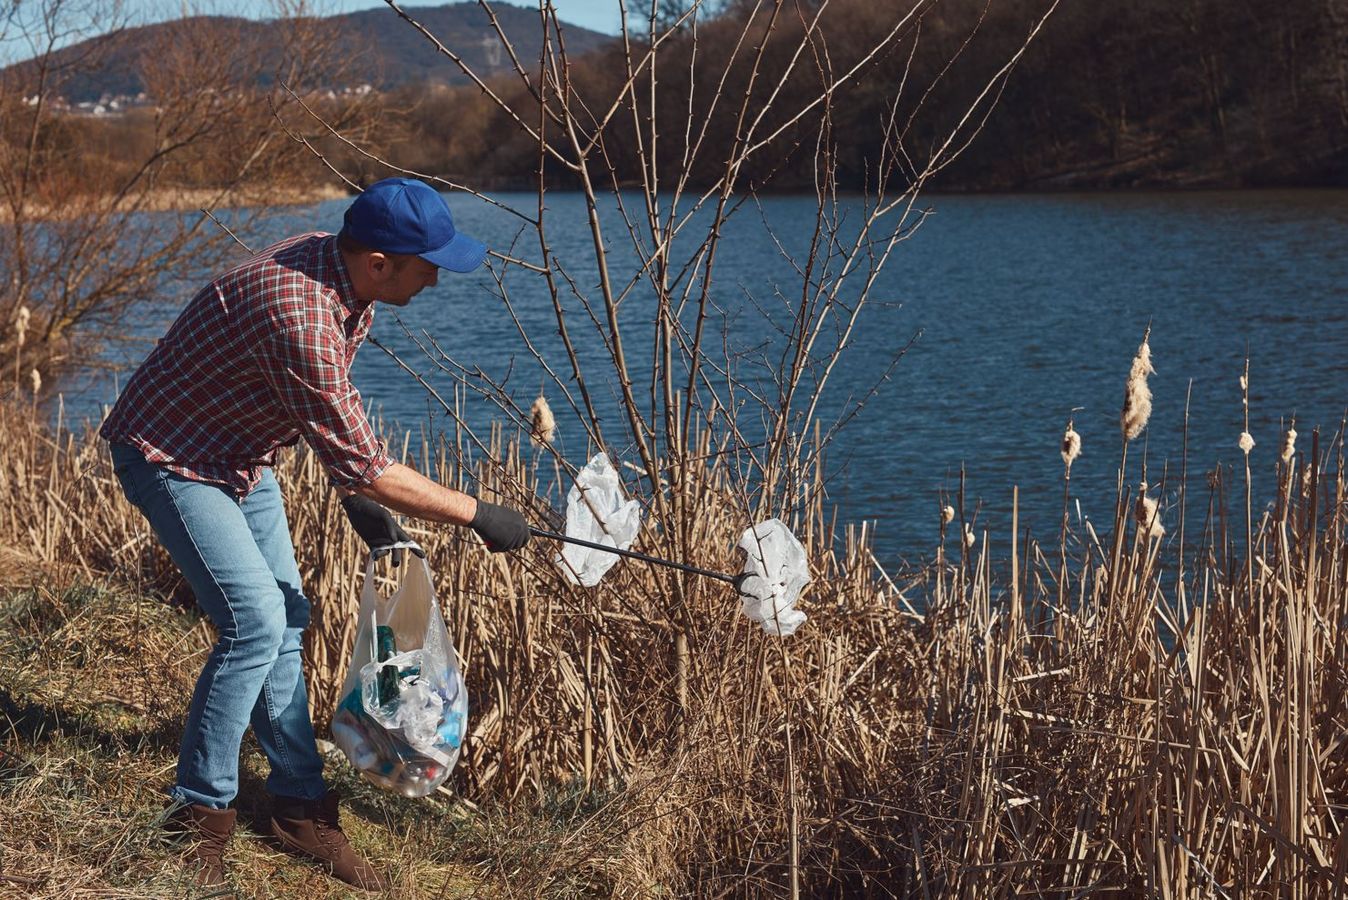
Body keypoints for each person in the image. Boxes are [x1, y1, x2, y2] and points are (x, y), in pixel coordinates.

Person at [100, 177, 531, 892]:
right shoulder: (300, 312)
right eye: (429, 264)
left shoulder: (342, 280)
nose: (437, 279)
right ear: (382, 261)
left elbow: (313, 410)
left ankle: (297, 805)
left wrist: (349, 488)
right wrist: (477, 514)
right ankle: (198, 814)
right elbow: (365, 455)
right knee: (253, 622)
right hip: (171, 455)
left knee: (288, 620)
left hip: (240, 453)